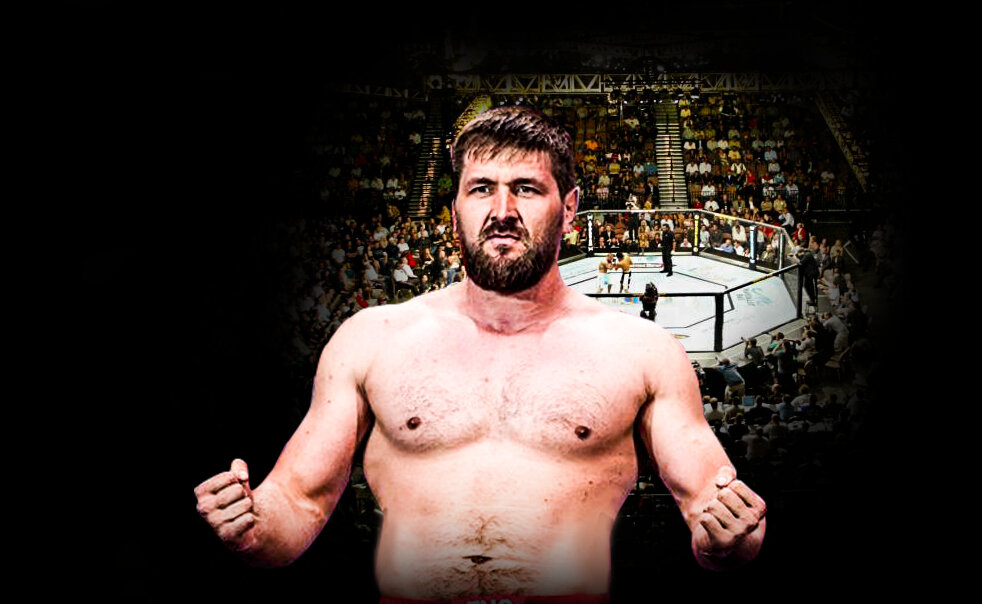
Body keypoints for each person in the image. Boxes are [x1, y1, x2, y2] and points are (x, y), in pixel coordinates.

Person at [194, 106, 765, 602]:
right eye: (481, 188)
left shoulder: (642, 351)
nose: (503, 209)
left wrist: (729, 538)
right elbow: (299, 502)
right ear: (454, 211)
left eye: (527, 188)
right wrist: (253, 525)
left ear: (569, 208)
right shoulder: (371, 339)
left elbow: (711, 509)